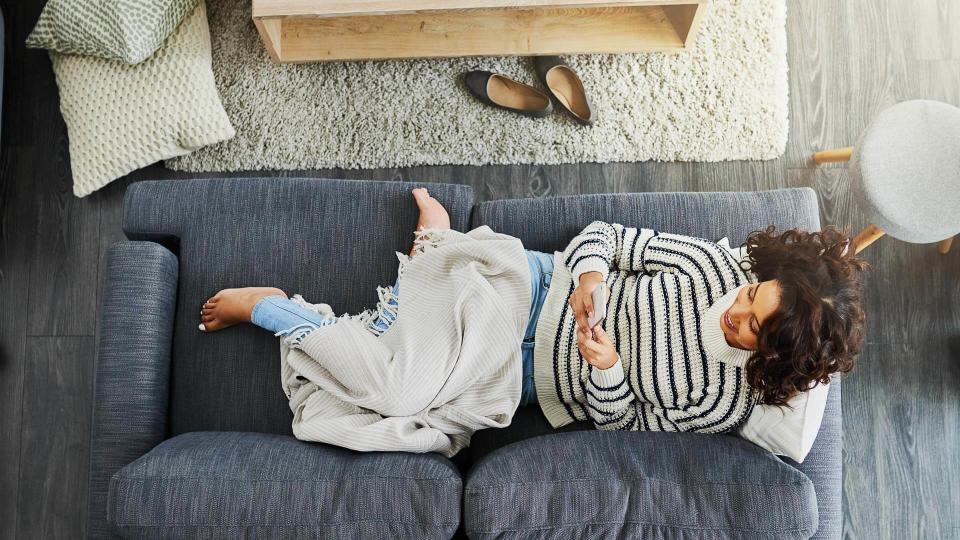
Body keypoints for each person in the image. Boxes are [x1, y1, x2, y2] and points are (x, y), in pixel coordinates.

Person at [199, 187, 867, 436]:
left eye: (752, 326)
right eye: (751, 296)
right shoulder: (714, 269)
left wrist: (605, 370)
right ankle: (277, 313)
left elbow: (621, 421)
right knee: (398, 387)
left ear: (771, 355)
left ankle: (431, 245)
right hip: (531, 289)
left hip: (520, 382)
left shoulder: (724, 401)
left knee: (397, 412)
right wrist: (592, 276)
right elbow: (606, 235)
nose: (736, 312)